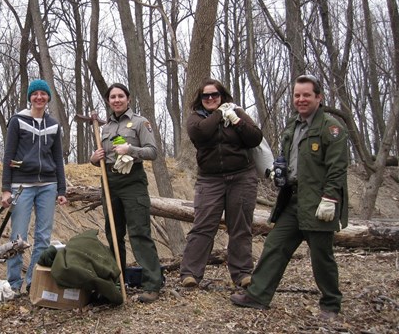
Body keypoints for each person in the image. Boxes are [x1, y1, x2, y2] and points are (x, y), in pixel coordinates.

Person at [230, 75, 349, 321]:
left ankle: (330, 305)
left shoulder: (331, 128)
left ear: (319, 97)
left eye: (307, 95)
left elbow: (337, 168)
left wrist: (330, 198)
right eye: (297, 95)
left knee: (321, 255)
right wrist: (277, 172)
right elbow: (286, 160)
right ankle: (257, 295)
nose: (301, 100)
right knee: (275, 245)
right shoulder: (292, 127)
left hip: (319, 202)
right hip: (292, 200)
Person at [180, 79, 263, 289]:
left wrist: (236, 120)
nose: (210, 99)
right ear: (199, 99)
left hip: (242, 177)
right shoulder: (195, 119)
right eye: (205, 96)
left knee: (240, 226)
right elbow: (201, 134)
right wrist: (220, 113)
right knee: (203, 226)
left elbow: (255, 138)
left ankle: (243, 273)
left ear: (222, 95)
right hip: (210, 180)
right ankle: (190, 273)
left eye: (215, 95)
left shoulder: (238, 113)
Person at [89, 83, 163, 303]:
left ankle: (152, 284)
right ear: (108, 101)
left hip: (133, 180)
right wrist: (94, 160)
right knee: (113, 232)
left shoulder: (140, 123)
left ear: (128, 99)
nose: (117, 100)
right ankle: (116, 281)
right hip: (109, 181)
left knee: (139, 232)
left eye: (121, 96)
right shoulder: (105, 127)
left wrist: (131, 149)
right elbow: (102, 159)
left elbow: (153, 152)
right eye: (113, 97)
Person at [1, 78, 68, 293]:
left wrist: (61, 190)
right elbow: (8, 155)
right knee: (18, 236)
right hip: (22, 185)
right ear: (30, 97)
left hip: (48, 185)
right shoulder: (17, 121)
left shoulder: (54, 125)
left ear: (48, 97)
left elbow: (58, 158)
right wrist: (5, 189)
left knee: (43, 236)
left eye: (43, 94)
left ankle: (32, 281)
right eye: (35, 94)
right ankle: (13, 284)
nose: (39, 97)